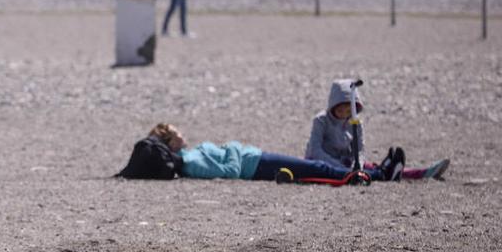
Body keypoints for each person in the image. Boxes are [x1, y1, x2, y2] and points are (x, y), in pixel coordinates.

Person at [117, 123, 410, 182]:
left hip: (254, 159)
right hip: (253, 165)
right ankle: (380, 174)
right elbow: (228, 171)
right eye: (176, 132)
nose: (182, 132)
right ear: (169, 143)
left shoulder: (189, 156)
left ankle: (377, 171)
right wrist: (231, 148)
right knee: (317, 169)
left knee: (314, 168)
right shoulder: (189, 162)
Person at [305, 79, 450, 180]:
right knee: (369, 172)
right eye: (340, 110)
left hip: (346, 162)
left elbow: (360, 149)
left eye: (348, 110)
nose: (344, 114)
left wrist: (358, 165)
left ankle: (421, 173)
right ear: (333, 105)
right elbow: (315, 150)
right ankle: (386, 173)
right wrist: (339, 166)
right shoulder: (321, 120)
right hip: (323, 163)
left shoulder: (355, 122)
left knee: (372, 167)